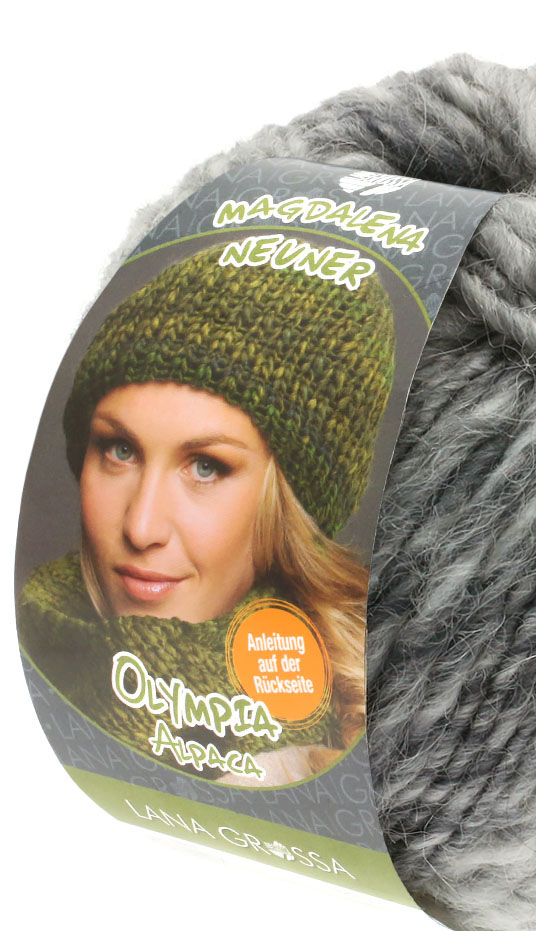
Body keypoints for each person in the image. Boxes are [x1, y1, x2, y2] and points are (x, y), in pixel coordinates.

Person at [17, 247, 396, 786]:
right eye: (120, 451)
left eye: (205, 466)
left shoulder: (353, 735)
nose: (141, 527)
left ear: (288, 508)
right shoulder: (28, 641)